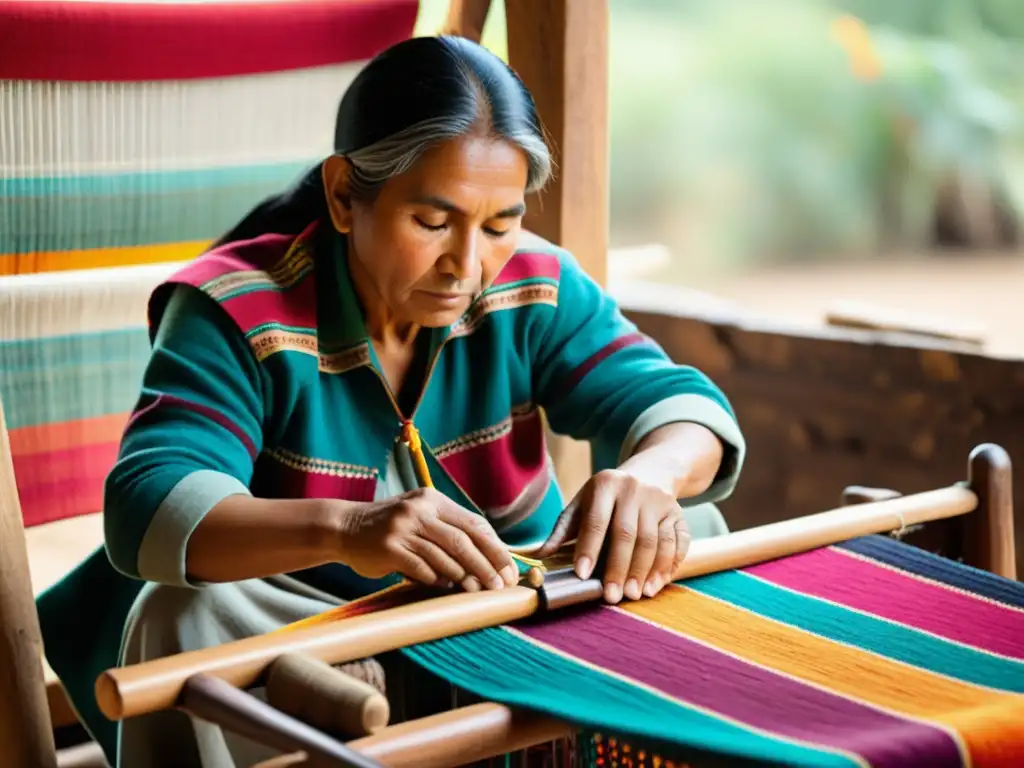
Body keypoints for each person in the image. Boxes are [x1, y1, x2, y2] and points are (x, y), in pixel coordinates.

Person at [41, 35, 745, 768]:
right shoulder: (239, 308)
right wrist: (350, 528)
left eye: (500, 223)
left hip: (510, 606)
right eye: (433, 223)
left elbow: (681, 407)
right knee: (180, 615)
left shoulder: (534, 284)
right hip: (325, 627)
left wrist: (651, 479)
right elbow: (148, 502)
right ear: (346, 195)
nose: (467, 266)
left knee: (692, 528)